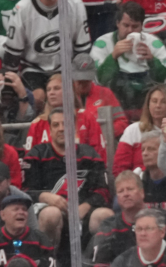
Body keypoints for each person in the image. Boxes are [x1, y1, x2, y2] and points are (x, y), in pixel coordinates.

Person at [24, 107, 112, 249]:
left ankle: (96, 263)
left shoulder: (90, 154)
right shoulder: (37, 154)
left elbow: (104, 191)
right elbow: (25, 191)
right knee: (51, 215)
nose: (61, 129)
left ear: (74, 128)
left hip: (84, 212)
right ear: (50, 130)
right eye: (56, 125)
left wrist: (85, 206)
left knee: (105, 216)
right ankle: (49, 262)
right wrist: (45, 197)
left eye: (65, 124)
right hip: (47, 210)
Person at [3, 0, 91, 94]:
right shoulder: (22, 9)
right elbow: (12, 53)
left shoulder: (76, 4)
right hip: (33, 68)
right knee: (38, 97)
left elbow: (82, 48)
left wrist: (80, 79)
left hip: (66, 67)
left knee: (70, 97)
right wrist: (8, 89)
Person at [92, 0, 166, 110]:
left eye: (135, 26)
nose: (130, 31)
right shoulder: (102, 44)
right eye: (126, 25)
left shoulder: (154, 44)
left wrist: (152, 61)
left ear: (142, 26)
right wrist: (113, 57)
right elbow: (99, 81)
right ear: (117, 23)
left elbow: (163, 81)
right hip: (114, 102)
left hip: (148, 103)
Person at [0, 193, 59, 267]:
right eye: (16, 209)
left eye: (24, 209)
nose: (21, 212)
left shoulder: (41, 241)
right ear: (3, 215)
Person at [115, 87, 166, 173]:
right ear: (148, 104)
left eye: (164, 102)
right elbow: (119, 168)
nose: (158, 106)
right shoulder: (133, 130)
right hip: (138, 183)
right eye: (154, 101)